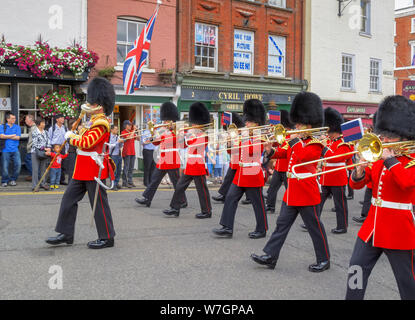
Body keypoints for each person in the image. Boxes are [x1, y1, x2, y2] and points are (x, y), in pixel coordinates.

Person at [250, 91, 331, 272]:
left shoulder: (315, 143)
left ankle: (324, 259)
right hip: (293, 192)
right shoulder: (297, 141)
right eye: (297, 123)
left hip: (307, 192)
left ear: (309, 125)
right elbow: (284, 154)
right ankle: (270, 256)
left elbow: (303, 157)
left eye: (300, 123)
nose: (296, 126)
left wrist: (294, 141)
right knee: (281, 225)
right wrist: (270, 150)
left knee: (315, 228)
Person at [345, 95, 415, 300]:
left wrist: (391, 160)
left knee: (407, 282)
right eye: (382, 134)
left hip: (399, 230)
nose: (383, 139)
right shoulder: (377, 157)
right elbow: (357, 183)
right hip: (372, 228)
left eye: (389, 136)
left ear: (403, 136)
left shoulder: (410, 161)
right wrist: (359, 170)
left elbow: (407, 183)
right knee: (355, 268)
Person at [46, 77, 116, 249]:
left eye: (92, 102)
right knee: (68, 199)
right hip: (81, 167)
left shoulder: (101, 123)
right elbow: (84, 136)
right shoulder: (91, 121)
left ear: (100, 103)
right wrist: (79, 131)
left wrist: (72, 137)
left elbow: (87, 142)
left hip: (94, 167)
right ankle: (66, 233)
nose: (89, 104)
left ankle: (107, 237)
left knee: (98, 203)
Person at [212, 99, 270, 239]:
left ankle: (262, 229)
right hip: (241, 173)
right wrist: (230, 143)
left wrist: (241, 139)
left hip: (253, 173)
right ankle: (227, 227)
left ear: (256, 122)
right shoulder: (245, 134)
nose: (246, 123)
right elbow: (234, 153)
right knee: (230, 198)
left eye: (249, 121)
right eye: (246, 121)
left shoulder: (261, 136)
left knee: (258, 203)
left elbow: (253, 152)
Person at [163, 102, 212, 219]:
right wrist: (180, 134)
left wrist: (189, 134)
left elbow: (196, 146)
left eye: (194, 123)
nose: (192, 125)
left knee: (202, 190)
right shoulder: (192, 134)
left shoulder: (204, 135)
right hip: (190, 166)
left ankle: (207, 211)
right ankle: (175, 208)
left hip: (198, 165)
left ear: (200, 124)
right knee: (179, 186)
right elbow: (183, 145)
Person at [135, 102, 187, 208]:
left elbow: (181, 143)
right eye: (165, 120)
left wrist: (172, 131)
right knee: (154, 180)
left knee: (176, 182)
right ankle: (147, 199)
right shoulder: (163, 130)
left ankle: (182, 201)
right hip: (163, 160)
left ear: (172, 120)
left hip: (172, 159)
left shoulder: (178, 130)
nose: (164, 122)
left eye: (167, 120)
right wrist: (153, 132)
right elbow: (155, 142)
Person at [316, 107, 354, 234]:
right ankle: (313, 221)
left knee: (340, 205)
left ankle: (342, 226)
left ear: (335, 129)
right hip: (326, 177)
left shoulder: (344, 143)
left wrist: (325, 148)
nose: (328, 133)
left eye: (330, 130)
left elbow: (335, 158)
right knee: (318, 201)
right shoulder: (329, 141)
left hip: (337, 177)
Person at [211, 113, 245, 203]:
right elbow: (230, 151)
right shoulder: (234, 135)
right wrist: (229, 143)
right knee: (228, 179)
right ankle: (224, 195)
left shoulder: (243, 135)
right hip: (234, 162)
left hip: (241, 163)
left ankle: (250, 197)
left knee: (245, 183)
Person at [265, 110, 293, 214]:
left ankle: (293, 206)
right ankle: (270, 206)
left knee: (289, 189)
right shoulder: (282, 135)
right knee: (272, 187)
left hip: (287, 168)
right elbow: (276, 145)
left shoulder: (291, 137)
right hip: (279, 167)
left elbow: (284, 149)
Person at [0, 113, 21, 187]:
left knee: (18, 165)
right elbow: (1, 136)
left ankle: (13, 179)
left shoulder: (17, 127)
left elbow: (18, 137)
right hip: (5, 150)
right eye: (12, 118)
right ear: (7, 119)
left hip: (15, 149)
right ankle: (4, 181)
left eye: (14, 118)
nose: (14, 120)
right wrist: (12, 135)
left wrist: (7, 136)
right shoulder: (2, 126)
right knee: (5, 167)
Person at [47, 114, 68, 185]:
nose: (63, 119)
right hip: (55, 147)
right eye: (61, 118)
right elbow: (49, 138)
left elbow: (66, 139)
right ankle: (51, 179)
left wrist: (66, 149)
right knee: (54, 163)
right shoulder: (52, 128)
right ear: (57, 119)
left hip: (62, 147)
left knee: (63, 164)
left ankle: (61, 180)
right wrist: (50, 148)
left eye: (63, 118)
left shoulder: (65, 128)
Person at [31, 118, 50, 191]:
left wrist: (49, 148)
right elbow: (35, 144)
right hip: (35, 152)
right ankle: (35, 186)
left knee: (43, 169)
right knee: (35, 170)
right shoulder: (34, 132)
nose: (44, 124)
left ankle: (43, 183)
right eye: (43, 123)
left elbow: (48, 141)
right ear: (39, 125)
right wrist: (44, 149)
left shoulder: (46, 132)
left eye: (44, 123)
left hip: (45, 153)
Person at [121, 120, 138, 188]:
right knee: (126, 168)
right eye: (129, 125)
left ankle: (130, 181)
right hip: (126, 152)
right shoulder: (123, 132)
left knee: (131, 168)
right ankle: (124, 182)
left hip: (133, 152)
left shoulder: (132, 132)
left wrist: (137, 131)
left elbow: (138, 139)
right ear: (126, 125)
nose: (131, 126)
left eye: (131, 125)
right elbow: (128, 137)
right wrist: (134, 130)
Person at [109, 125, 124, 191]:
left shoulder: (117, 136)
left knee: (119, 171)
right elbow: (110, 147)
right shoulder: (109, 137)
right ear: (111, 130)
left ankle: (116, 183)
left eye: (117, 129)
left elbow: (120, 146)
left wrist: (121, 143)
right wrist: (117, 142)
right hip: (113, 155)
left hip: (119, 155)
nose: (117, 130)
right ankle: (113, 184)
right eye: (115, 129)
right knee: (114, 171)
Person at [24, 114, 36, 181]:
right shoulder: (32, 127)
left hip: (32, 149)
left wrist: (30, 147)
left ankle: (34, 176)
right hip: (31, 149)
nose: (25, 121)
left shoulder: (34, 128)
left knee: (28, 160)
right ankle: (33, 175)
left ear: (30, 120)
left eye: (26, 119)